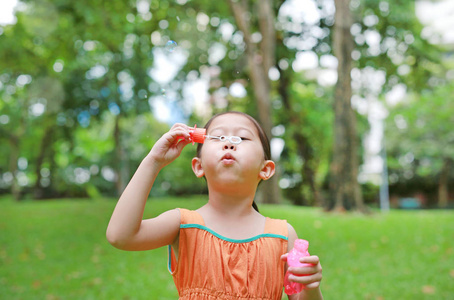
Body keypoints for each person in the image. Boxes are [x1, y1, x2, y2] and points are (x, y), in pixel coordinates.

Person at [106, 111, 323, 300]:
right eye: (218, 137)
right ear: (198, 166)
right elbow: (120, 235)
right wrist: (154, 161)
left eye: (242, 138)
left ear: (265, 169)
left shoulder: (282, 235)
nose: (228, 143)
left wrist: (311, 288)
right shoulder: (182, 224)